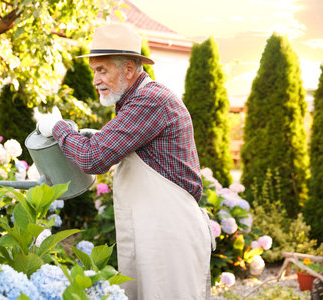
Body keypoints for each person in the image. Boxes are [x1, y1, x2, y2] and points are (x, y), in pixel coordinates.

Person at [37, 23, 214, 299]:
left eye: (102, 70)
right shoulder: (134, 102)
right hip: (154, 229)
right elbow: (107, 148)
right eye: (94, 70)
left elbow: (93, 158)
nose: (95, 80)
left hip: (169, 233)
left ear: (129, 69)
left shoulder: (150, 101)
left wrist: (58, 128)